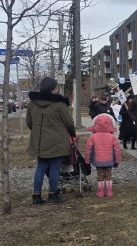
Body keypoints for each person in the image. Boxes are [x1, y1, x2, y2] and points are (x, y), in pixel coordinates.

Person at [27, 76, 77, 204]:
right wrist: (72, 134)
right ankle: (53, 194)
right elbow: (69, 123)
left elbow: (29, 122)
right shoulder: (59, 104)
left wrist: (39, 131)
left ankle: (36, 196)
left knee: (41, 167)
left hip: (39, 141)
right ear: (54, 89)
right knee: (55, 167)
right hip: (57, 141)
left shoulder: (33, 104)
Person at [84, 113, 122, 198]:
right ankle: (109, 191)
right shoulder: (112, 137)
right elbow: (117, 150)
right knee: (108, 175)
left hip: (98, 161)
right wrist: (117, 161)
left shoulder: (93, 137)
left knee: (100, 176)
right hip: (109, 160)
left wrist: (87, 160)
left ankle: (100, 192)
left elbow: (89, 150)